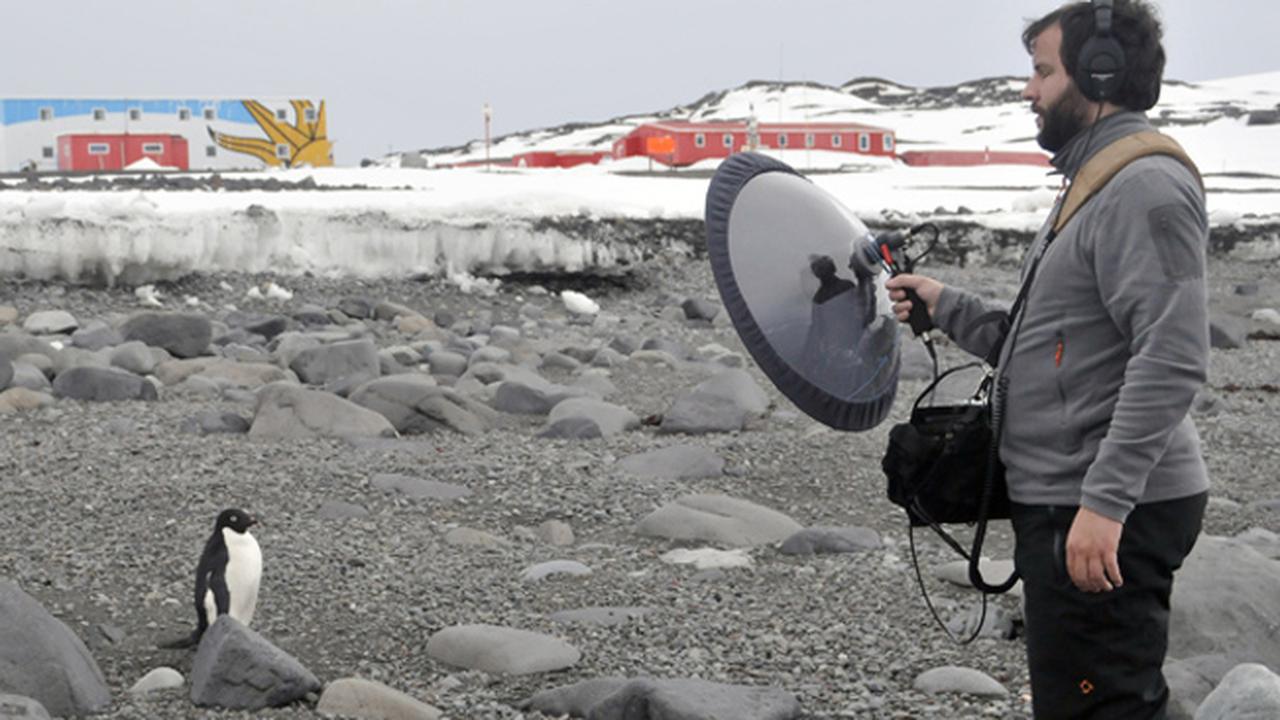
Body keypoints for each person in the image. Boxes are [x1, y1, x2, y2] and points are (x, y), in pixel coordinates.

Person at [886, 2, 1209, 718]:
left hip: (1102, 503)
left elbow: (1176, 354)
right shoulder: (1093, 183)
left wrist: (1105, 502)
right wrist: (950, 305)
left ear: (1100, 72)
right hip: (1076, 499)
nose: (1028, 90)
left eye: (1041, 71)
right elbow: (1053, 342)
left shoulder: (1144, 186)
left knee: (1103, 709)